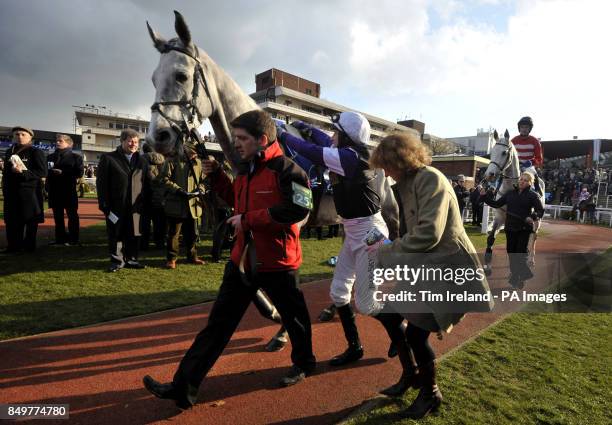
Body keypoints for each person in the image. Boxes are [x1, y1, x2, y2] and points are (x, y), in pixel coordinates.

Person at [143, 110, 316, 410]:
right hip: (242, 262)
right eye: (235, 138)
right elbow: (237, 201)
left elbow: (298, 211)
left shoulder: (290, 171)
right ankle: (184, 387)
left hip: (279, 263)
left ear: (262, 140)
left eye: (242, 139)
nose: (236, 144)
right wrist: (218, 178)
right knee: (217, 325)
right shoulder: (245, 169)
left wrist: (249, 220)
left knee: (295, 319)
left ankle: (304, 363)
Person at [370, 132, 493, 419]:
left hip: (447, 268)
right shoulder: (407, 183)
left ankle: (430, 393)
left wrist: (387, 254)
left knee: (415, 332)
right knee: (388, 315)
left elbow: (429, 232)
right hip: (424, 266)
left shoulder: (430, 179)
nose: (385, 172)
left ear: (399, 160)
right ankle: (411, 375)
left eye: (386, 165)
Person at [278, 112, 405, 366]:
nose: (333, 135)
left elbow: (312, 150)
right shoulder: (348, 152)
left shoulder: (349, 158)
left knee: (367, 304)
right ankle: (354, 348)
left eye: (338, 131)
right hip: (355, 231)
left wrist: (282, 134)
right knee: (338, 293)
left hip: (371, 234)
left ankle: (400, 326)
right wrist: (304, 125)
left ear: (346, 136)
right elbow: (323, 139)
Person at [96, 129, 147, 272]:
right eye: (130, 141)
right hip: (115, 206)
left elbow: (146, 183)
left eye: (136, 142)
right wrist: (104, 205)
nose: (133, 144)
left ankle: (132, 259)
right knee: (116, 234)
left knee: (135, 233)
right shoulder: (108, 158)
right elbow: (101, 184)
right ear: (122, 141)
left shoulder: (142, 160)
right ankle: (117, 261)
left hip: (136, 206)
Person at [481, 172, 544, 288]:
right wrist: (484, 196)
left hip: (524, 228)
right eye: (521, 179)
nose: (522, 181)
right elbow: (496, 204)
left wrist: (533, 217)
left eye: (525, 180)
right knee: (511, 253)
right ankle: (521, 274)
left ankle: (518, 277)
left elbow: (540, 210)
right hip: (510, 228)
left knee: (520, 253)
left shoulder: (533, 195)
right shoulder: (510, 194)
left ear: (529, 183)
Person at [157, 141, 207, 269]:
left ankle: (192, 256)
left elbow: (202, 181)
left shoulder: (199, 163)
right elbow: (163, 179)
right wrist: (178, 190)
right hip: (176, 203)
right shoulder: (172, 161)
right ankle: (171, 259)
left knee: (192, 233)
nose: (195, 155)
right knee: (174, 233)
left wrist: (200, 189)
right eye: (193, 152)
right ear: (186, 149)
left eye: (196, 153)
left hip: (193, 204)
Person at [1, 126, 47, 253]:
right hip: (11, 193)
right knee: (11, 221)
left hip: (29, 193)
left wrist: (23, 173)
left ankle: (29, 247)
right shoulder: (10, 151)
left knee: (30, 221)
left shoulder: (36, 152)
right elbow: (6, 173)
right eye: (17, 134)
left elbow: (42, 172)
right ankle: (13, 246)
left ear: (30, 137)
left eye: (22, 134)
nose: (19, 136)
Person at [46, 134, 84, 246]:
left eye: (60, 141)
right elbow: (45, 172)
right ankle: (60, 239)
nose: (57, 143)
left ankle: (74, 239)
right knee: (58, 217)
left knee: (72, 216)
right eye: (57, 141)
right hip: (54, 191)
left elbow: (79, 173)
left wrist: (63, 173)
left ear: (69, 143)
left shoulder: (76, 157)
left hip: (68, 191)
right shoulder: (50, 157)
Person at [140, 142, 167, 250]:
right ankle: (160, 243)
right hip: (160, 196)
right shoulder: (164, 160)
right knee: (160, 222)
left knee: (144, 222)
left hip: (145, 195)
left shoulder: (141, 160)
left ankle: (144, 243)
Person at [512, 116, 543, 192]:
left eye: (526, 127)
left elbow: (539, 158)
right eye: (522, 127)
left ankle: (537, 192)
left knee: (533, 172)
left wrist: (531, 162)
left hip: (528, 166)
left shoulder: (535, 141)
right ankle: (496, 191)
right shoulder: (513, 140)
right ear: (519, 128)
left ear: (529, 129)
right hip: (515, 165)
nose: (524, 129)